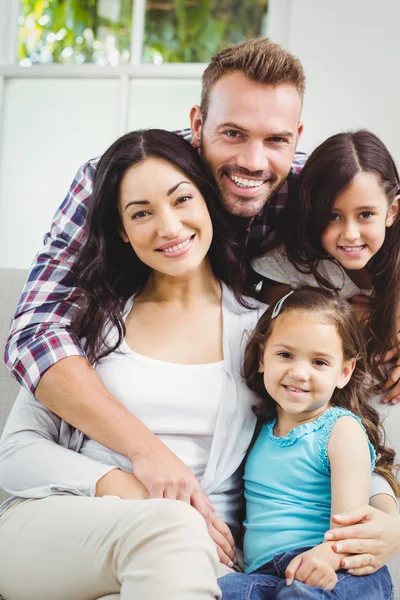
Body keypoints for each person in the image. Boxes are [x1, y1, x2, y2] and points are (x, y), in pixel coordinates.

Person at [3, 38, 400, 571]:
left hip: (213, 550)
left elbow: (323, 418)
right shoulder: (103, 292)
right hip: (106, 520)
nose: (253, 161)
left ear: (296, 138)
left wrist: (385, 508)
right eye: (232, 133)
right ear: (197, 123)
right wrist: (146, 463)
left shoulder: (268, 311)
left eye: (276, 139)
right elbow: (34, 335)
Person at [0, 129, 266, 599]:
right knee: (171, 530)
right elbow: (15, 456)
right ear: (122, 231)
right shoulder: (84, 324)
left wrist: (382, 505)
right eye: (141, 213)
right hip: (56, 525)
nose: (168, 226)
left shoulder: (263, 332)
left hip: (194, 557)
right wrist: (142, 491)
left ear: (208, 200)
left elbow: (317, 431)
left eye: (181, 199)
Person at [218, 287, 399, 599]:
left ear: (344, 372)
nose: (299, 373)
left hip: (340, 567)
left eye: (319, 362)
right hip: (267, 573)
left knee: (301, 595)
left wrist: (326, 557)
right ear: (262, 357)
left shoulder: (340, 429)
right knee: (225, 590)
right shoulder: (256, 427)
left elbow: (352, 526)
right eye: (285, 355)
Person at [252, 130, 400, 405]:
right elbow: (272, 337)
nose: (351, 234)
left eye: (365, 214)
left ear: (392, 211)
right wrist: (346, 318)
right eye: (333, 216)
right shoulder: (292, 261)